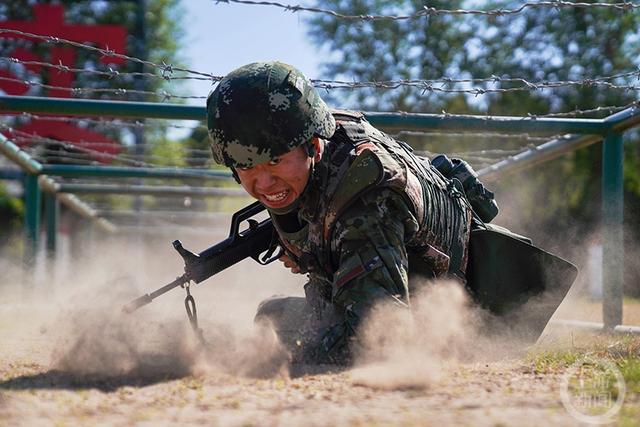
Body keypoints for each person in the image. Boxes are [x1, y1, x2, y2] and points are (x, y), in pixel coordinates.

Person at [206, 61, 575, 365]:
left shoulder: (366, 197)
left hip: (457, 325)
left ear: (312, 145)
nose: (264, 181)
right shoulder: (321, 140)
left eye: (275, 161)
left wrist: (257, 360)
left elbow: (377, 341)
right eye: (246, 168)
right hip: (405, 291)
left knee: (282, 339)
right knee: (271, 316)